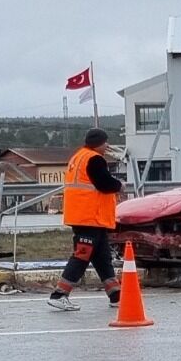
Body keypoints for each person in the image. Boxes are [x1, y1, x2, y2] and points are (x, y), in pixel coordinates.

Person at [48, 128, 124, 311]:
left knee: (102, 257)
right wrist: (119, 186)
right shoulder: (95, 159)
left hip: (84, 216)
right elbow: (104, 184)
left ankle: (116, 296)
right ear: (99, 143)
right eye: (105, 142)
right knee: (82, 256)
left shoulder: (79, 156)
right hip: (90, 216)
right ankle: (59, 294)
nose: (107, 146)